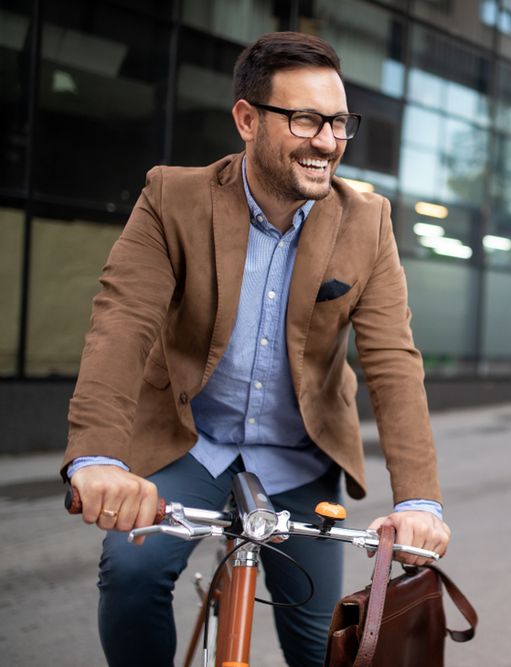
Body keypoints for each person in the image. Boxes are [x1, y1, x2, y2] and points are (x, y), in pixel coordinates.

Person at [61, 32, 450, 667]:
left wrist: (419, 502)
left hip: (301, 455)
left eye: (338, 122)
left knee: (321, 640)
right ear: (247, 119)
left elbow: (393, 364)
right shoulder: (172, 197)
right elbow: (121, 323)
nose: (327, 140)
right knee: (132, 575)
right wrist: (99, 459)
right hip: (190, 442)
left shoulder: (367, 220)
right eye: (304, 119)